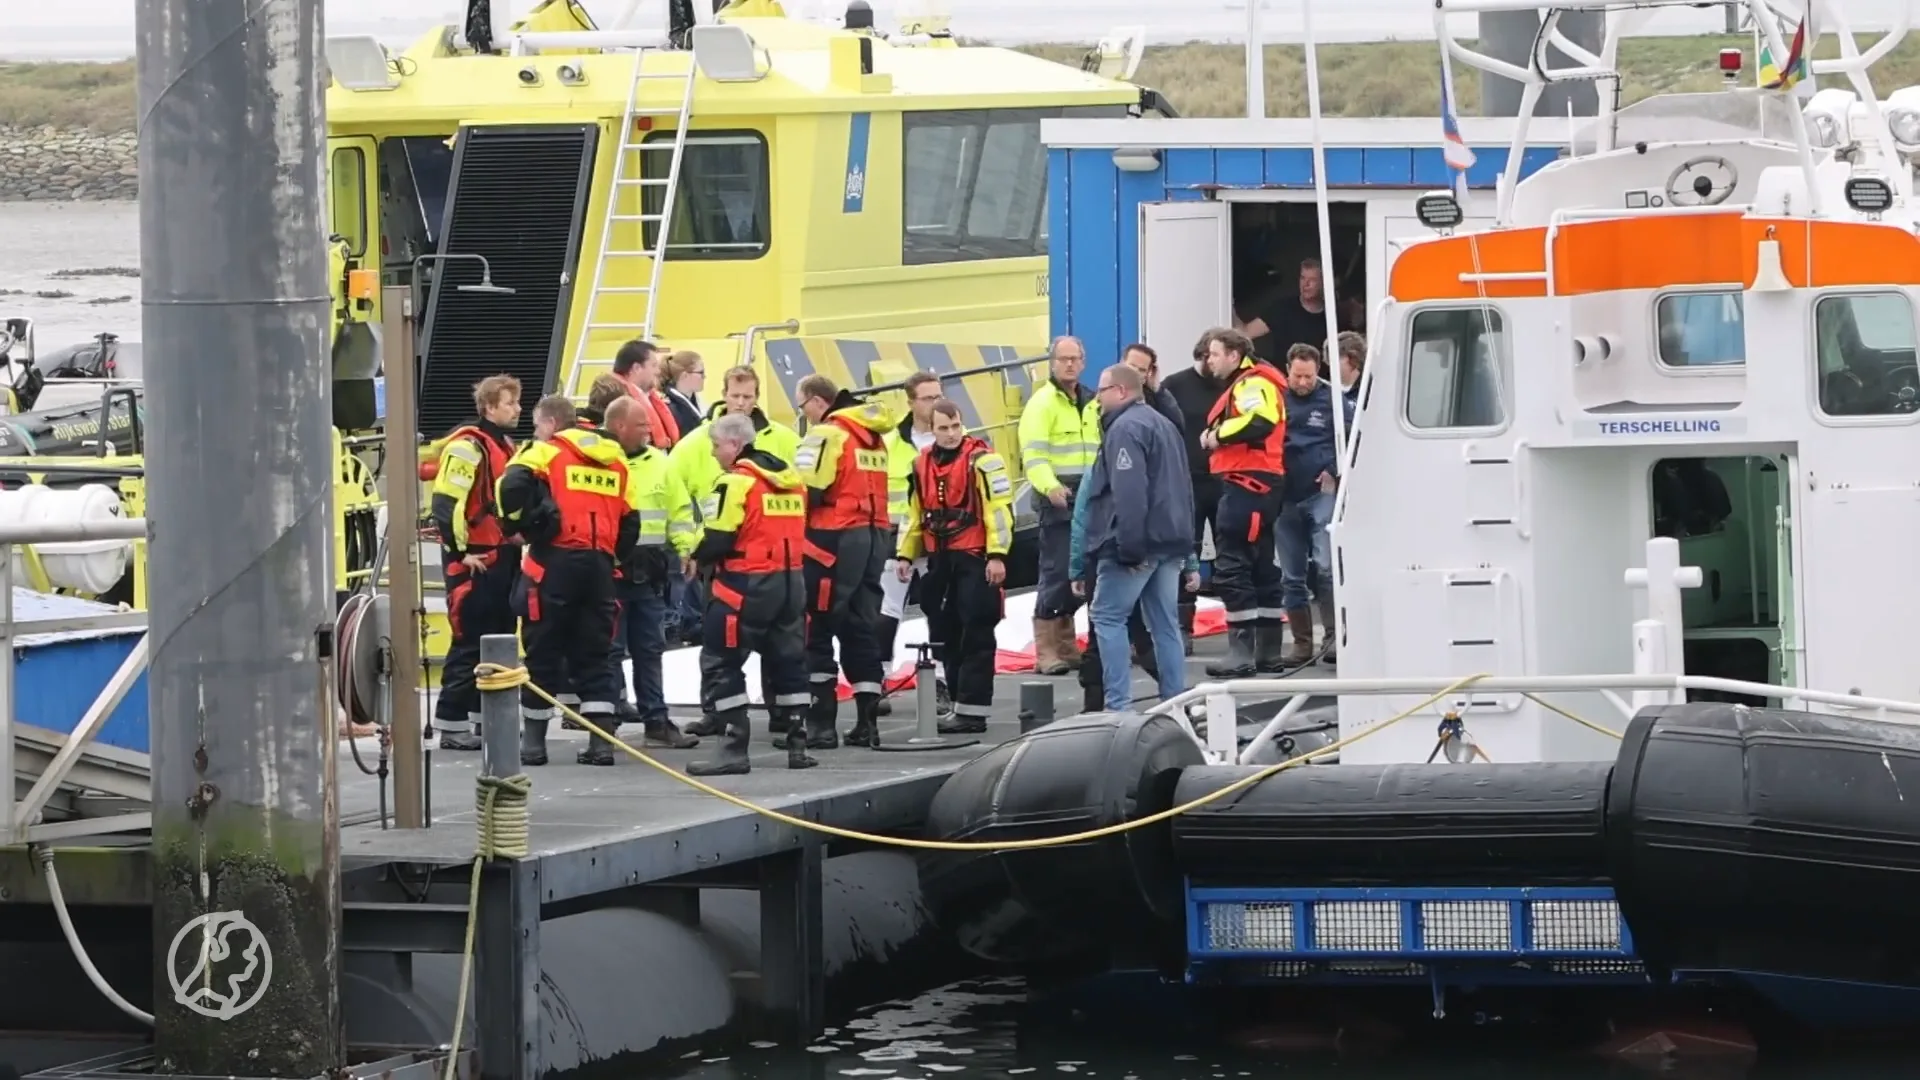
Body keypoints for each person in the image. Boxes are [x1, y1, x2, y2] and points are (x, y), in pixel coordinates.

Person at [497, 394, 639, 767]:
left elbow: (510, 485)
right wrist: (612, 556)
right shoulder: (616, 460)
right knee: (596, 655)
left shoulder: (546, 452)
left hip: (555, 561)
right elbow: (631, 520)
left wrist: (519, 527)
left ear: (550, 424)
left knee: (542, 651)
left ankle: (534, 745)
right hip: (600, 567)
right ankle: (601, 744)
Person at [684, 413, 816, 775]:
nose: (713, 453)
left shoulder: (735, 483)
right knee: (789, 662)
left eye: (715, 445)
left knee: (720, 660)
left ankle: (732, 747)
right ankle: (797, 744)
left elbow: (719, 537)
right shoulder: (793, 483)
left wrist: (696, 558)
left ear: (734, 444)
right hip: (790, 584)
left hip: (745, 587)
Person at [1078, 364, 1194, 712]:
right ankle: (1175, 703)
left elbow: (1129, 492)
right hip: (1171, 541)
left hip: (1135, 542)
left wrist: (1129, 548)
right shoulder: (1165, 426)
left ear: (1121, 391)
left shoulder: (1125, 429)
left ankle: (1117, 708)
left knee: (1107, 616)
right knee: (1165, 624)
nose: (1097, 398)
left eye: (1102, 390)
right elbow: (1183, 487)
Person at [895, 398, 1014, 734]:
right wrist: (905, 554)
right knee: (943, 633)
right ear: (930, 430)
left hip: (975, 557)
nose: (950, 434)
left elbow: (999, 512)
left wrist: (997, 555)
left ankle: (972, 710)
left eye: (955, 427)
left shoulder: (983, 460)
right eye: (943, 428)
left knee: (976, 631)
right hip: (939, 560)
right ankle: (960, 705)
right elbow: (914, 514)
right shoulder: (921, 465)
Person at [792, 374, 894, 749]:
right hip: (873, 539)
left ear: (817, 402)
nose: (804, 414)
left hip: (831, 540)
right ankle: (868, 723)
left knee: (815, 626)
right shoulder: (873, 438)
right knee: (860, 627)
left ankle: (821, 725)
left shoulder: (827, 434)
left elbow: (810, 491)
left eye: (802, 407)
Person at [599, 392, 702, 747]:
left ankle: (656, 721)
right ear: (618, 426)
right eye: (642, 424)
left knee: (649, 648)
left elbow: (679, 512)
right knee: (609, 650)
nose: (648, 430)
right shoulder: (599, 460)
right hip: (609, 572)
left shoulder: (661, 462)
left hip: (650, 571)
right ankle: (605, 724)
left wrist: (686, 550)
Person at [426, 374, 522, 752]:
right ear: (488, 407)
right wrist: (458, 552)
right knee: (470, 640)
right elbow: (446, 503)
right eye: (509, 403)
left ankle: (485, 721)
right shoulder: (468, 447)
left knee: (497, 640)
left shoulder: (504, 444)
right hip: (476, 561)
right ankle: (451, 722)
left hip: (500, 558)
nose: (517, 409)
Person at [1198, 328, 1289, 678]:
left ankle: (1242, 652)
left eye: (1215, 354)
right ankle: (1267, 652)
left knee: (1233, 565)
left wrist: (1216, 436)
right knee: (1261, 565)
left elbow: (1260, 421)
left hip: (1248, 484)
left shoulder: (1252, 384)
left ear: (1235, 355)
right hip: (1259, 484)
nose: (1210, 360)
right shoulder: (1255, 382)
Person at [1018, 335, 1101, 674]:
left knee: (1081, 570)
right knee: (1056, 571)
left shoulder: (1093, 402)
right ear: (1052, 363)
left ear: (1083, 362)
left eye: (1075, 359)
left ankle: (1066, 646)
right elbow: (1033, 455)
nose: (1069, 364)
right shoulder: (1041, 404)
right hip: (1059, 498)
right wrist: (1051, 487)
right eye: (1063, 359)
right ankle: (1047, 650)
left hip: (1090, 496)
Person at [1275, 343, 1355, 667]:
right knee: (1290, 575)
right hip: (1284, 497)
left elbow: (1354, 438)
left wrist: (1336, 471)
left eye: (1309, 376)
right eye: (1298, 376)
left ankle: (1333, 637)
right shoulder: (1276, 399)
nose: (1303, 382)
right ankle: (1301, 644)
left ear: (1317, 371)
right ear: (1288, 370)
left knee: (1325, 566)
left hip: (1320, 493)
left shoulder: (1334, 400)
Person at [878, 371, 947, 716]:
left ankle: (941, 684)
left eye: (938, 396)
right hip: (896, 538)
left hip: (939, 539)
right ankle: (879, 682)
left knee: (939, 611)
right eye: (927, 398)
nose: (935, 404)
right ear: (911, 402)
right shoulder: (889, 445)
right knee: (888, 611)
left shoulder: (952, 439)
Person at [1160, 333, 1231, 654]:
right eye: (1210, 355)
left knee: (1230, 553)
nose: (1213, 362)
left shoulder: (1230, 385)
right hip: (1186, 480)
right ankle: (1181, 628)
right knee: (1184, 553)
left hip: (1221, 479)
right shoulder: (1176, 385)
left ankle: (1237, 628)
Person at [1238, 258, 1336, 363]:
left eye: (1312, 280)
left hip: (1317, 378)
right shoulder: (1282, 308)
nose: (1305, 284)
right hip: (1282, 377)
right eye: (1303, 278)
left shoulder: (1334, 316)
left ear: (1323, 283)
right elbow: (1245, 333)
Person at [612, 338, 681, 449]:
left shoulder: (650, 397)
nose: (658, 371)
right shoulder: (617, 401)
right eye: (654, 365)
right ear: (637, 368)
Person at [662, 350, 706, 436]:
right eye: (701, 372)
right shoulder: (671, 407)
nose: (704, 376)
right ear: (685, 375)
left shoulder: (694, 402)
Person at [1334, 330, 1365, 406]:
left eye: (1335, 361)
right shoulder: (1331, 393)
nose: (1332, 368)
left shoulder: (1370, 390)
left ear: (1352, 358)